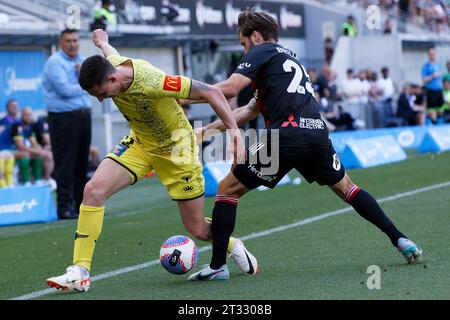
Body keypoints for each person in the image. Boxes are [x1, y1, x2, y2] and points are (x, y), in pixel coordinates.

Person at [186, 10, 422, 281]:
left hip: (286, 135)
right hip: (316, 133)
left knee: (228, 189)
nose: (244, 51)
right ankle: (400, 239)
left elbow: (228, 89)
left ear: (255, 36)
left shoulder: (262, 51)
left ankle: (218, 266)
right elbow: (251, 109)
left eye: (243, 44)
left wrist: (186, 94)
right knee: (348, 188)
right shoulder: (288, 59)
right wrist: (207, 129)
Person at [46, 28, 256, 292]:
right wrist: (103, 42)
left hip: (178, 150)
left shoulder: (153, 80)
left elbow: (212, 93)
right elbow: (111, 54)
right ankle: (79, 272)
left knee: (199, 230)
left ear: (112, 79)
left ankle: (232, 244)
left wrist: (235, 135)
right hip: (141, 144)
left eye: (101, 93)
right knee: (93, 190)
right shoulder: (111, 68)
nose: (101, 99)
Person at [43, 29, 92, 220]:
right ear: (61, 43)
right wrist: (83, 80)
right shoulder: (54, 62)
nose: (72, 44)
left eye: (75, 40)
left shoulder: (82, 59)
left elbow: (94, 83)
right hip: (63, 118)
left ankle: (81, 206)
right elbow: (65, 90)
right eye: (68, 41)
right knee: (65, 164)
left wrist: (85, 81)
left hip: (83, 116)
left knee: (82, 163)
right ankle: (63, 207)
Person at [10, 107, 54, 186]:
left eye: (30, 115)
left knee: (40, 154)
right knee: (26, 154)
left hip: (22, 150)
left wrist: (41, 150)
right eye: (26, 115)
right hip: (9, 150)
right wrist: (39, 151)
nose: (28, 117)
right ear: (22, 115)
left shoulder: (31, 125)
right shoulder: (17, 125)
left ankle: (39, 180)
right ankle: (26, 181)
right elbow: (21, 147)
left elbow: (34, 142)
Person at [421, 47, 444, 123]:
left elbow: (441, 78)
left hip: (439, 90)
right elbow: (423, 79)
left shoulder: (438, 65)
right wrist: (433, 76)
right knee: (431, 112)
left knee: (440, 111)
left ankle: (440, 128)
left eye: (433, 54)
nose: (432, 56)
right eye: (430, 54)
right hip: (431, 91)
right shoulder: (426, 66)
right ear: (428, 55)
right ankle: (431, 127)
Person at [0, 99, 19, 188]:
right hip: (4, 149)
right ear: (7, 108)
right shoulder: (3, 122)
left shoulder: (19, 122)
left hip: (14, 149)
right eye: (12, 106)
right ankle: (4, 183)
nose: (15, 108)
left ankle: (10, 182)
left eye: (16, 105)